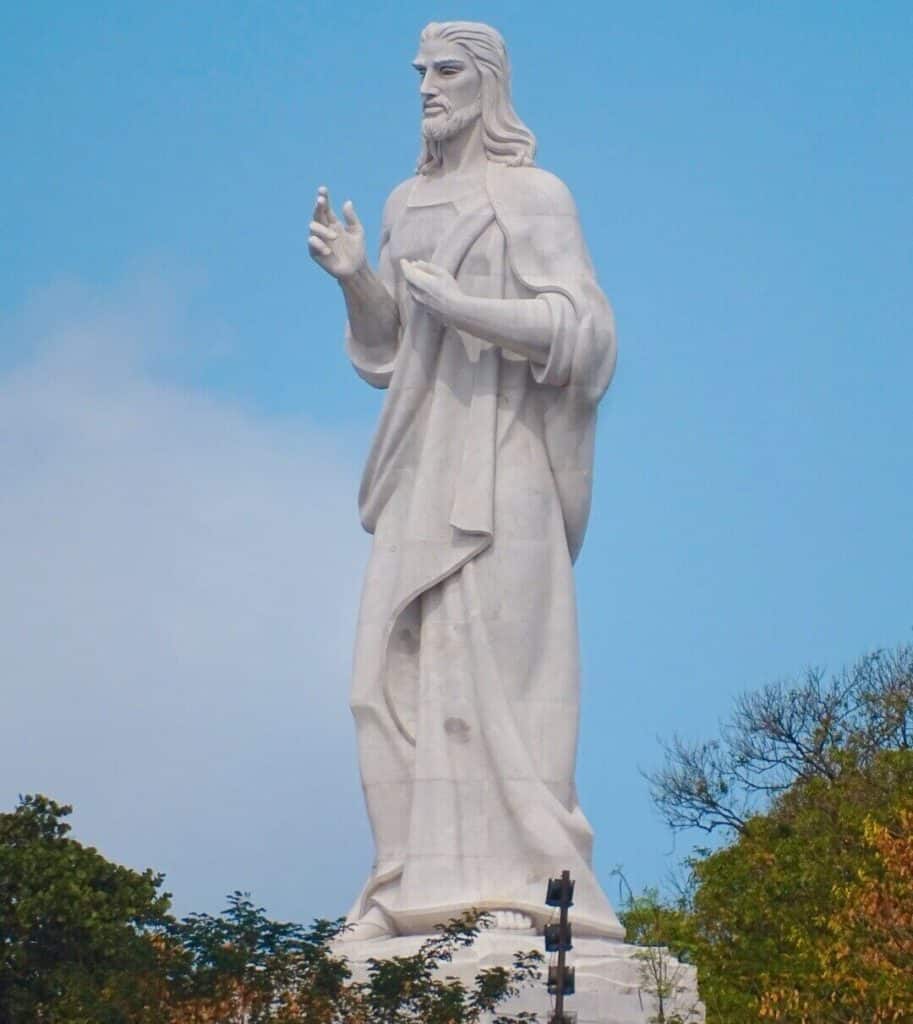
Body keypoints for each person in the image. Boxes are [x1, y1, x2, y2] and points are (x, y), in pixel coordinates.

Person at [309, 20, 623, 941]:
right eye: (418, 73)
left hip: (507, 464)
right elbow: (395, 351)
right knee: (382, 677)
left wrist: (469, 309)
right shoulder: (407, 200)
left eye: (445, 72)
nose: (426, 88)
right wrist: (357, 278)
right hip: (420, 462)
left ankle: (522, 891)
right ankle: (404, 884)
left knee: (507, 683)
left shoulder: (535, 196)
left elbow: (588, 336)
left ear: (487, 83)